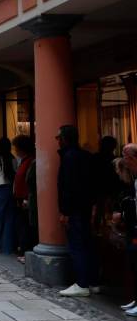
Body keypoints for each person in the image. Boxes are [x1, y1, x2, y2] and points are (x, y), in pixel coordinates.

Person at [56, 125, 99, 297]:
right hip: (86, 207)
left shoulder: (69, 157)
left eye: (58, 137)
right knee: (87, 243)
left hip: (75, 209)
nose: (57, 140)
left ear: (65, 138)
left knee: (77, 245)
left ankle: (82, 283)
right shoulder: (85, 156)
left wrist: (65, 212)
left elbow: (68, 188)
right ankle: (93, 281)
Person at [114, 148, 137, 315]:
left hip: (135, 227)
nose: (124, 161)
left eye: (126, 157)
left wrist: (123, 214)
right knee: (133, 263)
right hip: (133, 226)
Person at [12, 135, 36, 263]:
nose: (15, 151)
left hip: (25, 200)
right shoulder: (24, 161)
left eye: (16, 148)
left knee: (26, 227)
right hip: (20, 199)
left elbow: (30, 182)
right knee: (22, 226)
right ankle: (24, 249)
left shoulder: (30, 161)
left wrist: (26, 198)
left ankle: (27, 251)